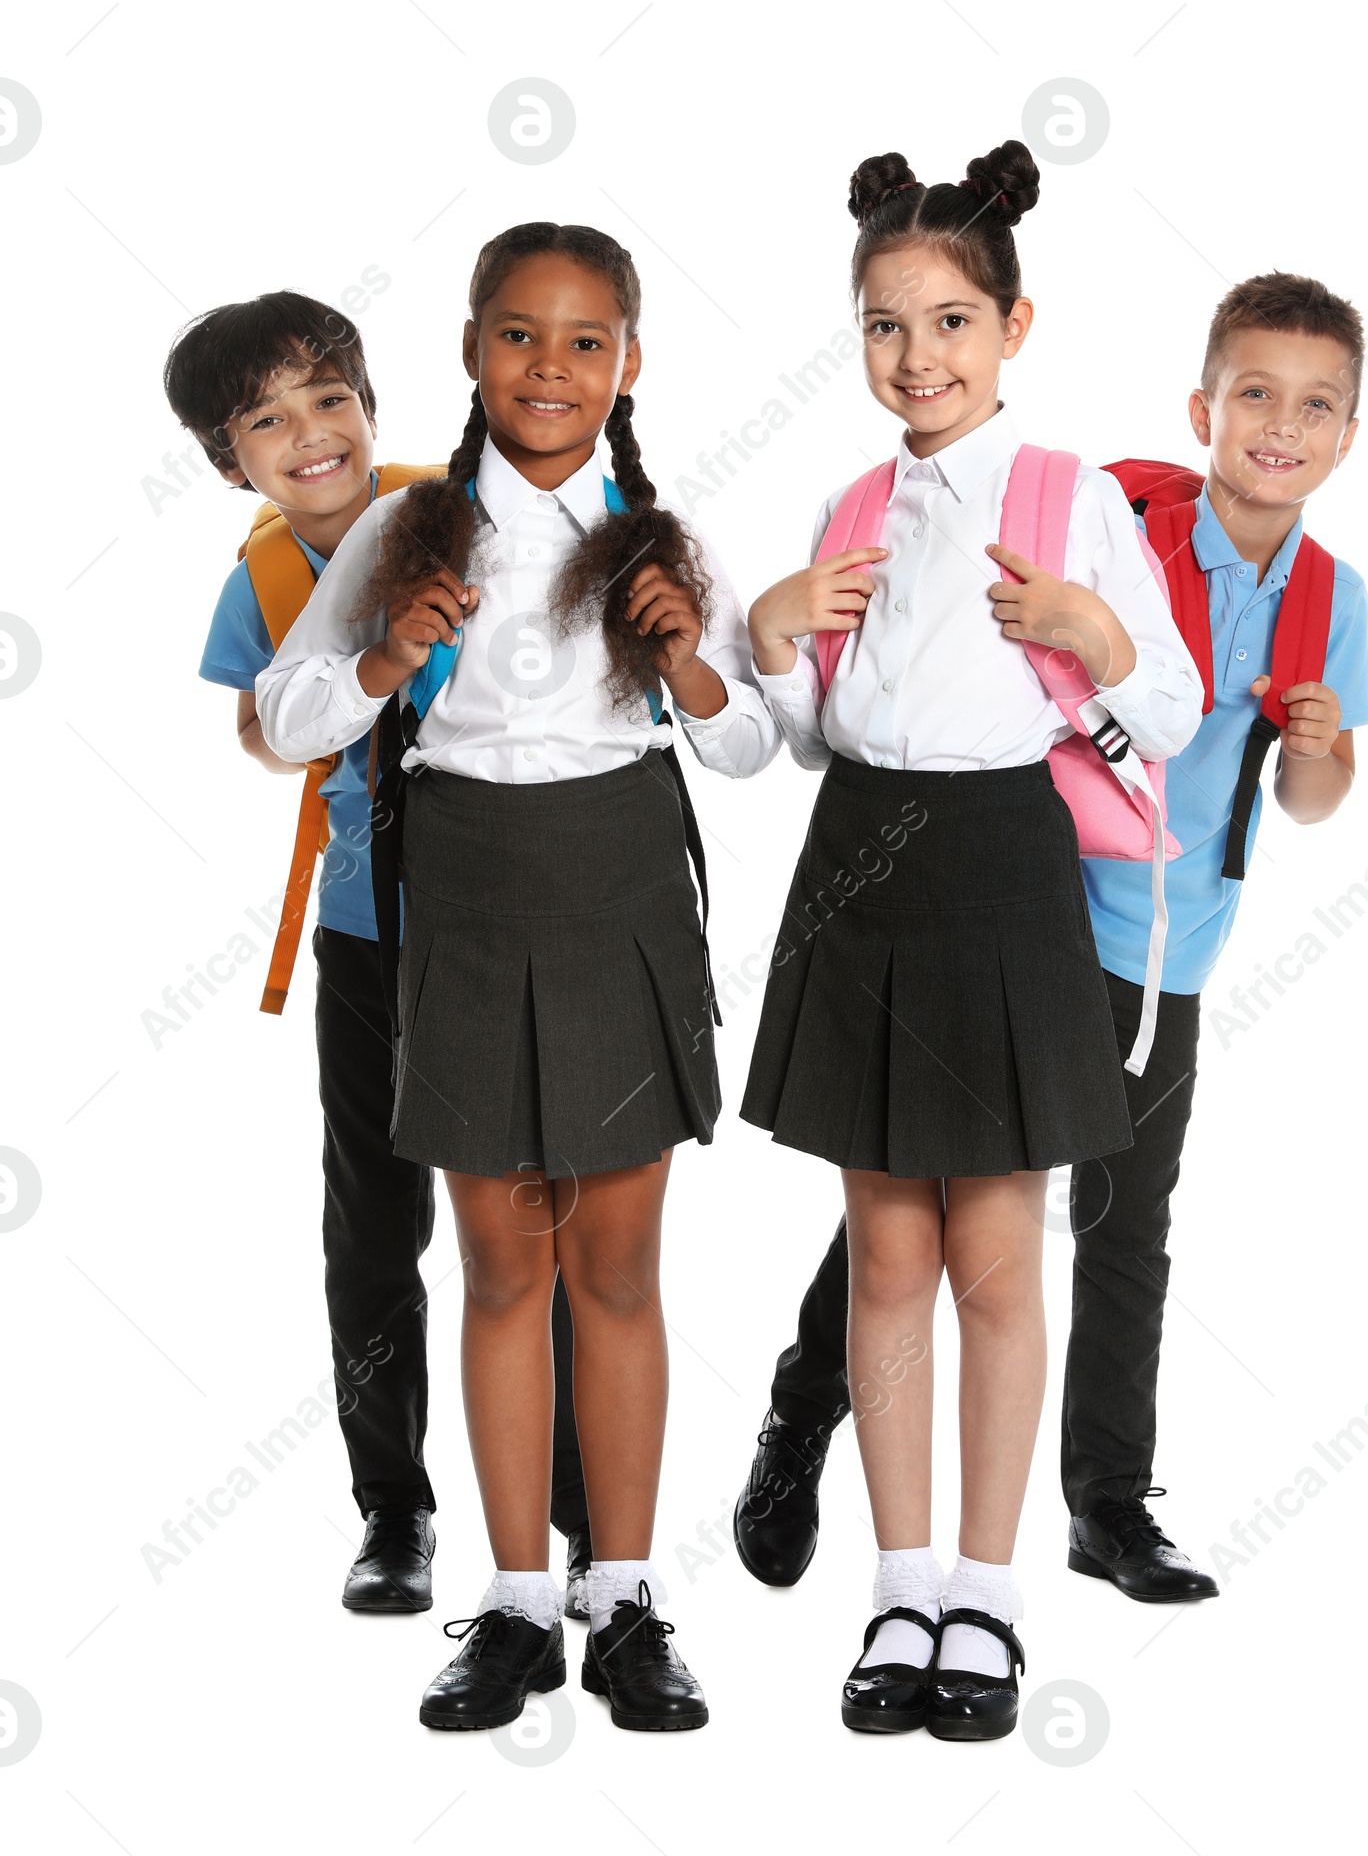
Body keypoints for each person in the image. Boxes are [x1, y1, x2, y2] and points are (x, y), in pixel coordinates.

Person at [732, 269, 1368, 1617]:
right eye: (1253, 393)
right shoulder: (1114, 511)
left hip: (1162, 946)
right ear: (1202, 408)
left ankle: (1104, 1506)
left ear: (1345, 436)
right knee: (908, 1220)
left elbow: (1299, 791)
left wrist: (1319, 751)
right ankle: (807, 1412)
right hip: (1025, 908)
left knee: (1121, 1223)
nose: (1279, 424)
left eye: (1314, 406)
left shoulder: (1330, 598)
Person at [256, 222, 780, 1733]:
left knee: (614, 1265)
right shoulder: (402, 533)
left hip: (622, 891)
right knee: (500, 1265)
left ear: (628, 364)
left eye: (586, 342)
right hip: (467, 899)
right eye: (519, 337)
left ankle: (623, 1593)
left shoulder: (661, 533)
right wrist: (373, 665)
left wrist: (688, 665)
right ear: (473, 348)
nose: (551, 369)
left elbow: (753, 743)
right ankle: (514, 1605)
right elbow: (289, 716)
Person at [737, 142, 1202, 1740]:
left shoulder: (1072, 498)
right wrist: (773, 634)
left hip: (1005, 863)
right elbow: (807, 732)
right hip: (859, 856)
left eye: (948, 321)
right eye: (884, 325)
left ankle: (990, 1599)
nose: (916, 356)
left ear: (1013, 326)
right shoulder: (852, 500)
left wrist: (1101, 637)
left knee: (997, 1258)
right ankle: (901, 1587)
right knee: (887, 1251)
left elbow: (1171, 717)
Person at [171, 293, 446, 1613]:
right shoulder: (266, 577)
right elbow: (256, 728)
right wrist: (326, 707)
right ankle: (393, 1508)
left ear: (372, 407)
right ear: (234, 461)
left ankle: (573, 1499)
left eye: (330, 398)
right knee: (373, 1228)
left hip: (511, 917)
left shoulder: (453, 509)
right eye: (269, 420)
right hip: (368, 928)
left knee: (540, 1213)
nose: (311, 433)